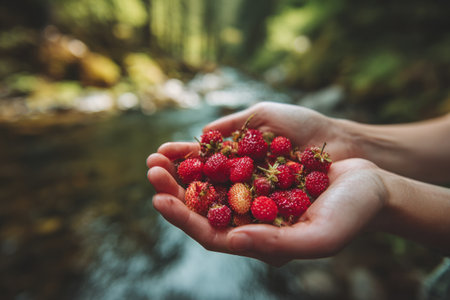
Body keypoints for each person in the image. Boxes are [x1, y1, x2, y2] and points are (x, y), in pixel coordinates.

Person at [146, 101, 450, 267]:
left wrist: (382, 192)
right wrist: (349, 140)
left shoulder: (263, 175)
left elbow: (248, 181)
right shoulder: (245, 173)